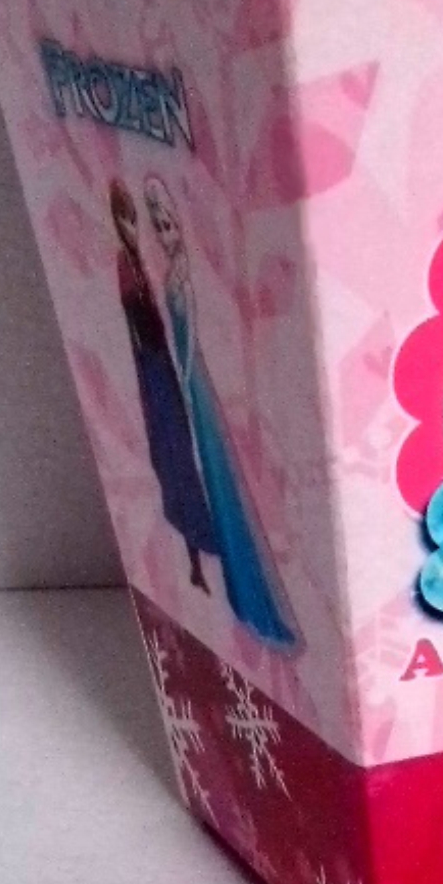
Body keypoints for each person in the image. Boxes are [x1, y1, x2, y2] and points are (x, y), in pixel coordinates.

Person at [142, 175, 300, 649]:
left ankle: (253, 598)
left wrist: (189, 379)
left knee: (221, 482)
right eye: (159, 226)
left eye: (169, 224)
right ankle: (243, 595)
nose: (166, 233)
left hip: (197, 384)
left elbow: (188, 339)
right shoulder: (171, 274)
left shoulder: (182, 273)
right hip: (191, 384)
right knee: (214, 482)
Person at [109, 178, 216, 590]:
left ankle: (196, 559)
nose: (133, 227)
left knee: (182, 460)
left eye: (133, 219)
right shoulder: (126, 264)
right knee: (173, 461)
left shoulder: (139, 262)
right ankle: (193, 562)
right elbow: (138, 320)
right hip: (153, 368)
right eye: (127, 219)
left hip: (163, 366)